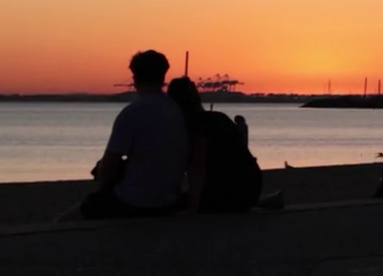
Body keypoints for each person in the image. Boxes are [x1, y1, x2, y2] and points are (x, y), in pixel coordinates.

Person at [70, 50, 189, 219]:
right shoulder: (177, 111)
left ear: (134, 77)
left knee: (67, 219)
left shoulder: (131, 113)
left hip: (134, 202)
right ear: (163, 76)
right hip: (169, 200)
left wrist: (103, 192)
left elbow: (109, 163)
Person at [168, 78, 264, 213]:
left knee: (173, 203)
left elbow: (198, 165)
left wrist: (193, 205)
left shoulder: (196, 126)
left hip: (230, 191)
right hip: (252, 186)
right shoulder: (219, 118)